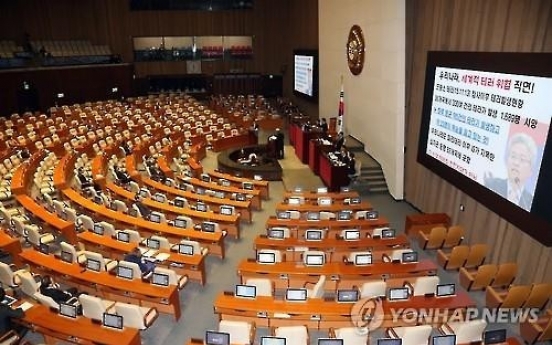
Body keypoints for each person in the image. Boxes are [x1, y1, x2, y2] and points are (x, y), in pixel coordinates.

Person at [484, 132, 538, 211]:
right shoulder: (491, 184)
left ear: (530, 171)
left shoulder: (529, 202)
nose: (516, 163)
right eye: (513, 156)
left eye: (522, 159)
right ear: (506, 161)